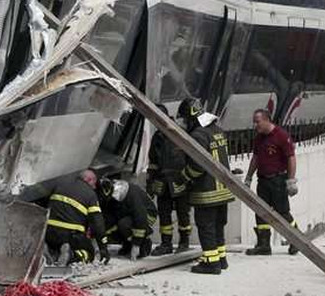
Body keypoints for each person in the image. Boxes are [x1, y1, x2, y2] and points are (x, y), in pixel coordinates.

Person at [178, 97, 235, 275]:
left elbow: (198, 166)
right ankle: (221, 258)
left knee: (206, 226)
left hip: (207, 191)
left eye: (185, 119)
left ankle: (211, 263)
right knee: (218, 226)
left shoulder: (198, 135)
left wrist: (184, 176)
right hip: (223, 190)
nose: (184, 123)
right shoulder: (217, 130)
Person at [243, 109, 299, 256]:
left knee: (282, 212)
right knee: (260, 211)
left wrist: (291, 181)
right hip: (263, 180)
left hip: (278, 180)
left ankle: (296, 241)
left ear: (267, 120)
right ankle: (263, 245)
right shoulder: (259, 138)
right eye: (254, 122)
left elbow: (291, 158)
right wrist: (249, 177)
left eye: (257, 121)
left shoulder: (281, 136)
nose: (255, 125)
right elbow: (255, 158)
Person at [147, 104, 192, 256]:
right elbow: (152, 161)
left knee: (183, 213)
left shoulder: (180, 133)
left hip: (180, 180)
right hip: (162, 181)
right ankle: (166, 243)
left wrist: (187, 178)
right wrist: (150, 182)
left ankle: (184, 242)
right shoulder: (158, 136)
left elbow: (190, 158)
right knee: (164, 214)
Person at [46, 169, 109, 265]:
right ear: (88, 180)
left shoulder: (60, 185)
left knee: (56, 246)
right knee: (89, 253)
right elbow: (98, 224)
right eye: (94, 183)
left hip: (49, 232)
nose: (95, 186)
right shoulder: (90, 194)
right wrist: (103, 248)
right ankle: (71, 255)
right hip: (70, 235)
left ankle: (49, 251)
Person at [97, 178, 158, 259]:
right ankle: (127, 244)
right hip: (129, 214)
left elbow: (140, 218)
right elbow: (108, 217)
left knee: (124, 224)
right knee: (113, 225)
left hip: (147, 216)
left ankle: (144, 243)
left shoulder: (131, 195)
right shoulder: (110, 195)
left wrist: (136, 245)